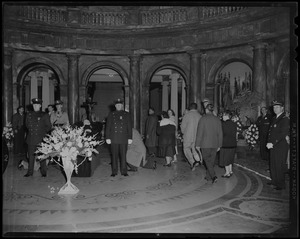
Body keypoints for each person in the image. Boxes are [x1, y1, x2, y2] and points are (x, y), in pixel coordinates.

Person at [24, 98, 52, 177]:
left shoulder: (44, 114)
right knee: (31, 156)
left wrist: (42, 133)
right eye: (34, 104)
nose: (35, 106)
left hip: (41, 139)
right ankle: (30, 172)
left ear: (40, 105)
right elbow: (26, 125)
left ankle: (43, 172)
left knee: (42, 157)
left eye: (37, 105)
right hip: (31, 138)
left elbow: (49, 126)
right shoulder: (29, 114)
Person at [195, 103, 223, 184]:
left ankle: (213, 176)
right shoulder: (217, 119)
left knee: (207, 160)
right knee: (211, 161)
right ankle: (208, 177)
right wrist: (220, 145)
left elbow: (199, 133)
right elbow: (220, 133)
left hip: (205, 144)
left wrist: (197, 144)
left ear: (206, 110)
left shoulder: (203, 119)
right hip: (215, 143)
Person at [105, 99, 133, 177]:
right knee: (114, 156)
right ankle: (114, 171)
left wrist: (130, 137)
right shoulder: (111, 114)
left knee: (123, 155)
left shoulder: (126, 114)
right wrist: (107, 137)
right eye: (117, 105)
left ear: (122, 106)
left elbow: (129, 127)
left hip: (123, 138)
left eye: (120, 105)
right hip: (114, 138)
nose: (118, 106)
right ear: (115, 106)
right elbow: (108, 127)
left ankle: (124, 171)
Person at [266, 100, 289, 190]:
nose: (275, 109)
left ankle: (280, 183)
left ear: (282, 108)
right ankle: (274, 180)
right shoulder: (275, 118)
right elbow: (271, 132)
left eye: (277, 107)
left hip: (280, 145)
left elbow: (283, 133)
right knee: (273, 163)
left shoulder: (285, 119)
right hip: (273, 145)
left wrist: (273, 142)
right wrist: (269, 142)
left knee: (279, 164)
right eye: (274, 107)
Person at [181, 102, 202, 171]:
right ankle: (198, 160)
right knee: (194, 149)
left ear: (190, 107)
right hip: (197, 136)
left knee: (186, 149)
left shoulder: (187, 115)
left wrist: (183, 133)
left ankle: (192, 162)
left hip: (188, 136)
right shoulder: (200, 116)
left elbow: (183, 127)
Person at [219, 110, 237, 177]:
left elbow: (222, 134)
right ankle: (230, 171)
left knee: (225, 159)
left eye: (223, 115)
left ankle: (227, 173)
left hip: (225, 144)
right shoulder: (234, 123)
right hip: (233, 144)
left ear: (226, 116)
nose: (222, 117)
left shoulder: (223, 124)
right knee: (230, 158)